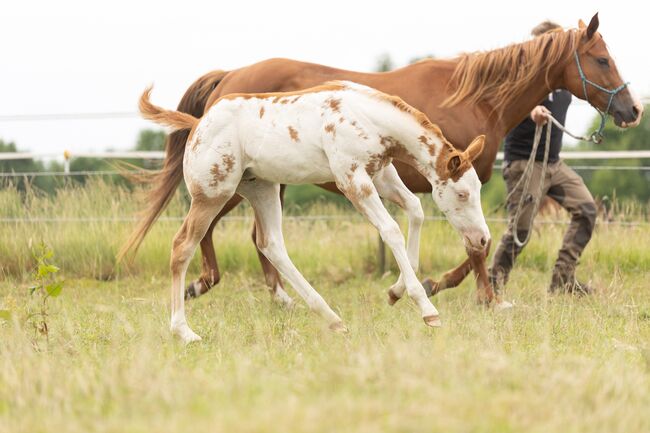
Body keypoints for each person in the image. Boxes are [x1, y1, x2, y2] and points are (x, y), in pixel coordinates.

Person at [488, 20, 597, 295]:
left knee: (586, 210)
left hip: (554, 164)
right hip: (524, 165)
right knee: (520, 232)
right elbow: (504, 103)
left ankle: (563, 279)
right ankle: (491, 288)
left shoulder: (563, 79)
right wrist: (530, 111)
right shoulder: (520, 77)